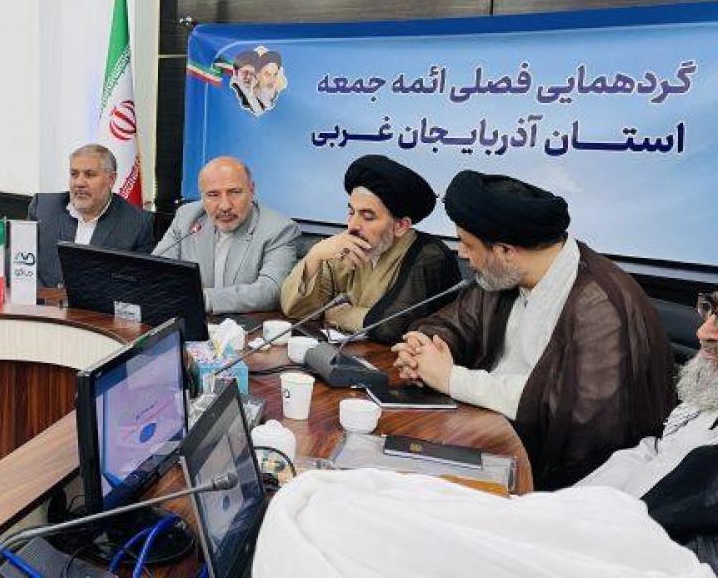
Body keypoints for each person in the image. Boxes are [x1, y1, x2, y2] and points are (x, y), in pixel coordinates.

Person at [394, 170, 676, 489]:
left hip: (561, 480)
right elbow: (457, 321)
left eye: (467, 243)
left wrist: (451, 379)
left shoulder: (600, 306)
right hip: (486, 432)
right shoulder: (503, 276)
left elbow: (575, 417)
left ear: (505, 251)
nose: (461, 253)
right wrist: (424, 347)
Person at [578, 294, 718, 569]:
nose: (703, 332)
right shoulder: (706, 398)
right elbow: (657, 452)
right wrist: (565, 510)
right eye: (710, 311)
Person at [280, 155, 461, 345]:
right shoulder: (349, 246)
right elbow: (296, 310)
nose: (353, 225)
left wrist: (341, 315)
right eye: (351, 212)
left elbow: (393, 326)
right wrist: (315, 256)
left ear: (401, 226)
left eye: (368, 217)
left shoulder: (429, 256)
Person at [154, 156, 299, 313]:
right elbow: (155, 270)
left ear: (251, 190)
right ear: (202, 196)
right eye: (213, 195)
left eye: (234, 192)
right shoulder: (187, 217)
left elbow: (271, 291)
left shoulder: (279, 229)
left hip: (245, 324)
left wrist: (201, 299)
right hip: (190, 319)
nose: (224, 206)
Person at [28, 143, 154, 288]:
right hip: (42, 301)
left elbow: (139, 284)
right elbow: (17, 263)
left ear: (111, 179)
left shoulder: (137, 223)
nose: (79, 183)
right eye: (74, 174)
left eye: (89, 174)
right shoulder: (43, 208)